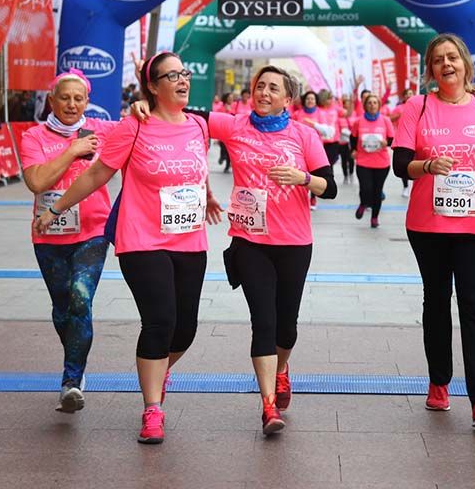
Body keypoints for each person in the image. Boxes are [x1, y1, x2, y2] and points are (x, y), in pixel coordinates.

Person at [140, 66, 337, 436]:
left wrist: (304, 179)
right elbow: (184, 113)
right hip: (249, 242)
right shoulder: (234, 125)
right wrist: (144, 106)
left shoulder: (303, 135)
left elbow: (331, 188)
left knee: (286, 327)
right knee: (262, 321)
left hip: (294, 243)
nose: (263, 92)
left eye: (272, 88)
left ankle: (281, 370)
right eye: (259, 86)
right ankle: (267, 406)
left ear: (287, 98)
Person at [43, 52, 222, 445]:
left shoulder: (197, 126)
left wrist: (207, 196)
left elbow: (196, 168)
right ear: (153, 86)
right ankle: (152, 409)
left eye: (184, 72)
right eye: (171, 75)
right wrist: (57, 208)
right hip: (142, 239)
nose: (182, 79)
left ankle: (158, 370)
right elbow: (96, 174)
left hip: (189, 238)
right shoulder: (134, 126)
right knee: (160, 321)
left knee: (185, 329)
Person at [392, 33, 475, 428]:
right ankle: (439, 382)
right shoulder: (418, 106)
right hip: (429, 222)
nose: (447, 64)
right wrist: (427, 166)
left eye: (453, 57)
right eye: (439, 59)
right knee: (437, 300)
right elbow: (400, 164)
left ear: (465, 64)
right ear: (431, 69)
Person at [23, 70, 118, 412]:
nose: (72, 104)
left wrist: (140, 108)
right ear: (52, 100)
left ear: (87, 102)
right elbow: (37, 181)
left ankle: (71, 380)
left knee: (81, 297)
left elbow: (141, 134)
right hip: (48, 234)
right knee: (64, 308)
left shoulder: (103, 131)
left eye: (79, 98)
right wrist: (72, 149)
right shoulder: (33, 136)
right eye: (65, 97)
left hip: (92, 231)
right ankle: (76, 358)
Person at [351, 94, 394, 229]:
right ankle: (363, 203)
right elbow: (353, 138)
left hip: (381, 162)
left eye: (375, 103)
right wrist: (353, 150)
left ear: (379, 105)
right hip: (363, 161)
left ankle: (374, 217)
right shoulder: (358, 121)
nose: (372, 105)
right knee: (366, 188)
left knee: (377, 191)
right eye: (370, 103)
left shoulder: (385, 120)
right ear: (365, 105)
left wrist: (385, 143)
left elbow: (392, 139)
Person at [338, 96, 356, 185]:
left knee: (351, 159)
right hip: (343, 141)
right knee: (344, 159)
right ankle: (345, 175)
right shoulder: (339, 116)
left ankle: (351, 174)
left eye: (349, 103)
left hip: (351, 141)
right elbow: (340, 129)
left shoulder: (354, 114)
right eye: (346, 103)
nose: (348, 105)